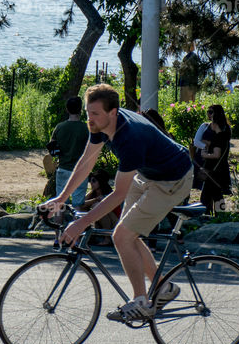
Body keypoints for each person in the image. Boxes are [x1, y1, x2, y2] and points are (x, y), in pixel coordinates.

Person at [45, 83, 194, 322]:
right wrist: (62, 197)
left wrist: (81, 223)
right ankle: (164, 288)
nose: (89, 119)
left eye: (94, 113)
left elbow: (118, 194)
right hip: (146, 175)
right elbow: (87, 161)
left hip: (173, 180)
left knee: (122, 236)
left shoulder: (129, 138)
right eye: (87, 112)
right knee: (125, 234)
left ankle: (141, 302)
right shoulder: (98, 123)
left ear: (112, 112)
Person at [51, 96, 90, 207]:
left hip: (63, 168)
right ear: (80, 110)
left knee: (60, 203)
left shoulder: (59, 127)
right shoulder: (86, 128)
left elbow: (52, 147)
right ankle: (77, 224)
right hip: (80, 170)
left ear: (67, 109)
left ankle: (59, 224)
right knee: (78, 204)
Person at [199, 104, 232, 214]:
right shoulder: (223, 133)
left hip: (214, 168)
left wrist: (204, 155)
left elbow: (217, 154)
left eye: (211, 112)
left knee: (209, 194)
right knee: (215, 194)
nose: (208, 114)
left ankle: (206, 215)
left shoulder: (219, 136)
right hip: (218, 168)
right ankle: (217, 215)